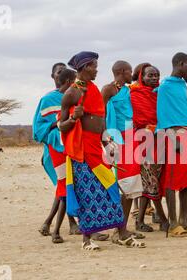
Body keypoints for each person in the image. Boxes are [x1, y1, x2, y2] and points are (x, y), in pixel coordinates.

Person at [59, 51, 145, 250]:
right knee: (86, 193)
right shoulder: (71, 93)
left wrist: (106, 142)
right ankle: (86, 240)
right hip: (81, 151)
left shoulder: (94, 90)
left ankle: (122, 234)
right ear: (83, 67)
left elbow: (100, 120)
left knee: (112, 189)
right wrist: (73, 119)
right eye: (93, 66)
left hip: (97, 148)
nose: (97, 69)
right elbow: (61, 126)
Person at [33, 63, 80, 243]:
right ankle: (67, 224)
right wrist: (60, 123)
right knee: (65, 187)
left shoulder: (74, 97)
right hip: (54, 150)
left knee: (67, 187)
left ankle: (51, 224)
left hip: (71, 147)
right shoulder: (47, 100)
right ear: (54, 76)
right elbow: (39, 130)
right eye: (58, 72)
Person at [102, 60, 146, 240]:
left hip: (131, 138)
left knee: (131, 185)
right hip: (115, 139)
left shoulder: (128, 90)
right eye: (129, 71)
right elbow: (101, 114)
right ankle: (119, 231)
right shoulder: (108, 90)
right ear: (121, 71)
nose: (131, 75)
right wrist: (106, 140)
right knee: (125, 186)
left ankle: (121, 228)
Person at [156, 52, 187, 237]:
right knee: (172, 180)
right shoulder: (165, 86)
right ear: (180, 64)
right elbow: (162, 115)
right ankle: (172, 224)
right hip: (174, 134)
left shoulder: (182, 85)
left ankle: (183, 220)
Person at [130, 63, 170, 232]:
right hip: (143, 142)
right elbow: (134, 120)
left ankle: (141, 221)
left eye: (156, 75)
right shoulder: (134, 95)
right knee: (151, 180)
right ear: (142, 77)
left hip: (159, 140)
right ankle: (162, 219)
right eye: (150, 75)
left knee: (152, 181)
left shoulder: (161, 94)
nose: (154, 78)